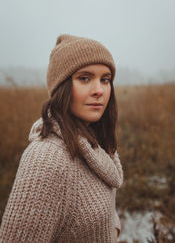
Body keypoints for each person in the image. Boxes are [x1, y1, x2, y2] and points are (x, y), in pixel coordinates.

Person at [0, 34, 124, 243]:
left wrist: (112, 231)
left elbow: (99, 209)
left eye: (105, 79)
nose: (99, 91)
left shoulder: (95, 143)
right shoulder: (46, 159)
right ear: (62, 88)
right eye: (84, 78)